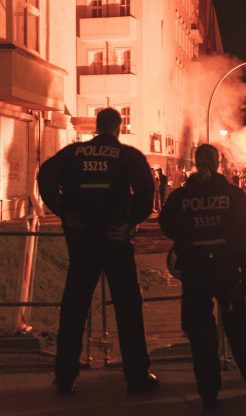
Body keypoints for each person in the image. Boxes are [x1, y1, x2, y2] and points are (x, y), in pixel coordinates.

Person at [37, 108, 158, 395]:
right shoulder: (129, 156)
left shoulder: (73, 153)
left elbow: (45, 177)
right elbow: (146, 194)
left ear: (96, 127)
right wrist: (129, 223)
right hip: (115, 241)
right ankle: (137, 376)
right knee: (128, 308)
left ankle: (65, 377)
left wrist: (66, 211)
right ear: (119, 127)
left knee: (74, 308)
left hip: (83, 241)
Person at [158, 144, 246, 409]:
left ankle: (209, 390)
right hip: (228, 270)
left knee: (200, 334)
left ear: (197, 164)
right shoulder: (233, 195)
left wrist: (189, 238)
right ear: (219, 164)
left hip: (195, 272)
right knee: (241, 329)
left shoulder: (181, 197)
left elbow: (166, 224)